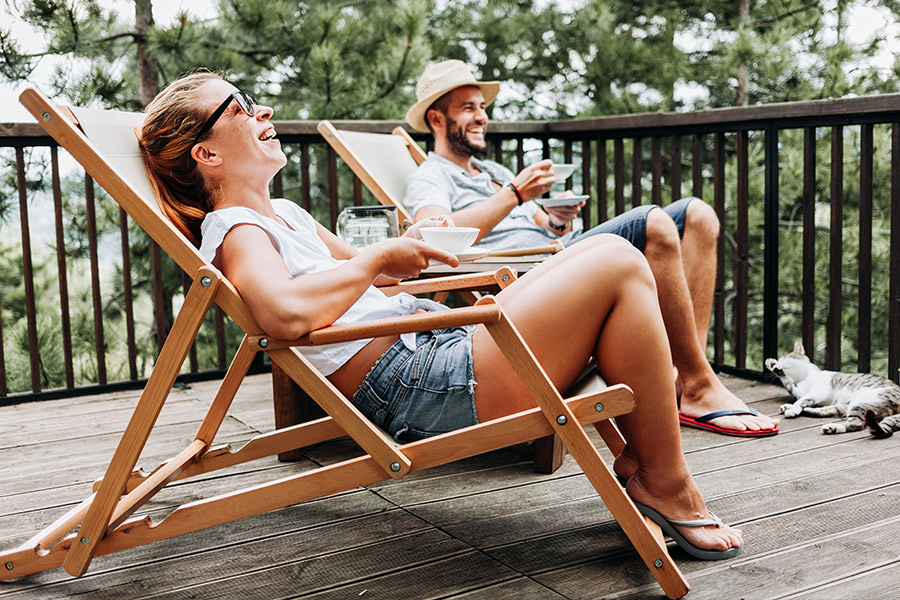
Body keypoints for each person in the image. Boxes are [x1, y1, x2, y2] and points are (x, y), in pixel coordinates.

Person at [137, 72, 743, 560]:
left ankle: (650, 465)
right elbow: (282, 314)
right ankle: (664, 481)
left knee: (611, 253)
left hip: (431, 341)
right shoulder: (236, 230)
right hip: (416, 377)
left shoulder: (286, 213)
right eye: (240, 107)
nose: (261, 111)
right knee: (615, 258)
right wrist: (379, 256)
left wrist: (402, 256)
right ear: (207, 153)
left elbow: (383, 272)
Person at [402, 59, 778, 438]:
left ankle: (686, 376)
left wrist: (558, 217)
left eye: (482, 107)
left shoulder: (493, 173)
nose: (481, 116)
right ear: (436, 119)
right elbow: (438, 233)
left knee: (698, 214)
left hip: (557, 252)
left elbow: (542, 226)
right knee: (655, 223)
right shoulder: (430, 175)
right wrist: (514, 193)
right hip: (534, 277)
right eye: (468, 108)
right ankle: (699, 387)